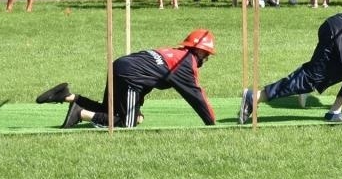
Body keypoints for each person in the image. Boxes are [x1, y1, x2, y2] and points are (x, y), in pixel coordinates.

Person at [40, 29, 217, 129]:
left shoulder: (173, 53)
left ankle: (68, 96)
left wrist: (137, 107)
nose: (206, 58)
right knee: (128, 123)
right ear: (199, 51)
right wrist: (212, 123)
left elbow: (148, 77)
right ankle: (81, 113)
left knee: (109, 110)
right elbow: (196, 96)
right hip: (130, 77)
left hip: (120, 65)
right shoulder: (185, 64)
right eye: (206, 54)